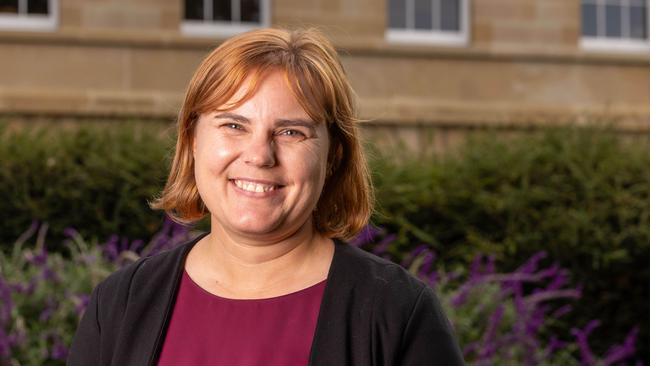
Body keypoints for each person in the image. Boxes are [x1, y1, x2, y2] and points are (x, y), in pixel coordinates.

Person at [67, 28, 464, 366]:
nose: (259, 155)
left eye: (291, 132)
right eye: (234, 125)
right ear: (191, 141)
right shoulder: (120, 304)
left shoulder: (397, 313)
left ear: (332, 157)